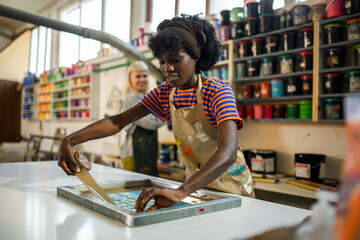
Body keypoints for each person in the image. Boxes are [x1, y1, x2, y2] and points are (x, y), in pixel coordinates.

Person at [58, 14, 255, 213]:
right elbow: (117, 122)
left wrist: (181, 191)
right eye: (162, 61)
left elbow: (228, 152)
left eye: (176, 60)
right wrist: (70, 140)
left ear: (195, 56)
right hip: (197, 190)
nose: (167, 68)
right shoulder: (164, 94)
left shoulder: (217, 91)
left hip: (233, 190)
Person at [120, 61, 164, 176]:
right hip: (135, 153)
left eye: (144, 76)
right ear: (130, 78)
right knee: (138, 190)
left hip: (146, 151)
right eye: (138, 76)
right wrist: (169, 114)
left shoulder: (144, 97)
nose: (142, 79)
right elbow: (151, 123)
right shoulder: (132, 98)